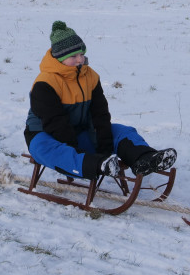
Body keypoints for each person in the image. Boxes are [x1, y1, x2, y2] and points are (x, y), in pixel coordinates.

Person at [24, 20, 177, 181]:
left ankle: (144, 158)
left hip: (80, 130)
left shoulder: (90, 76)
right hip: (45, 134)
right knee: (50, 150)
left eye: (82, 54)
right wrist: (78, 150)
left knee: (121, 131)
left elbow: (100, 113)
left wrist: (104, 146)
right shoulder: (45, 83)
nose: (80, 60)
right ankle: (97, 165)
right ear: (60, 58)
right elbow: (55, 122)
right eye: (73, 56)